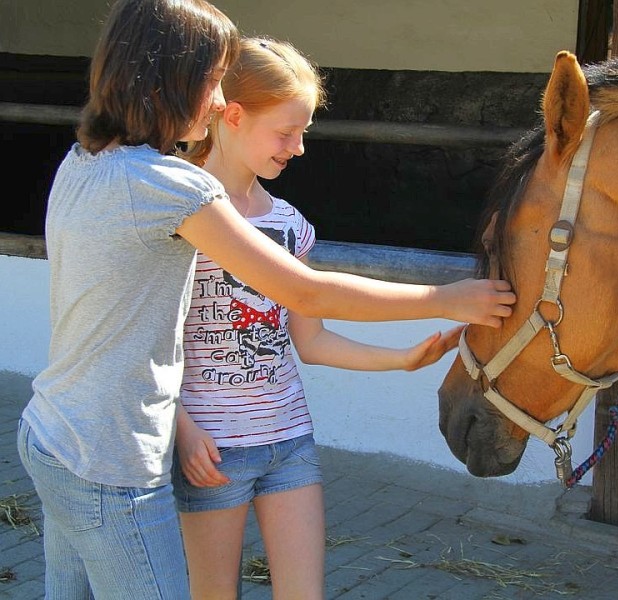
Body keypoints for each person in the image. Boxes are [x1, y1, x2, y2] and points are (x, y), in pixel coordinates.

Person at [15, 0, 515, 598]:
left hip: (53, 435)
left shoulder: (87, 160)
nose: (218, 98)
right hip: (107, 460)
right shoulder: (171, 187)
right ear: (176, 82)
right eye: (212, 81)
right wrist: (445, 297)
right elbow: (302, 290)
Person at [171, 36, 469, 600]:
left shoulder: (289, 222)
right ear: (233, 116)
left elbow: (310, 340)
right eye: (286, 132)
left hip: (289, 439)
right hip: (213, 446)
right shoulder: (181, 209)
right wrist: (183, 429)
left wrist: (403, 361)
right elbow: (151, 341)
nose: (299, 147)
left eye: (303, 131)